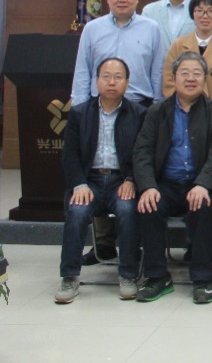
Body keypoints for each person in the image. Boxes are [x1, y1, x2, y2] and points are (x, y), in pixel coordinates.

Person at [133, 51, 212, 304]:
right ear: (174, 77)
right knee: (149, 205)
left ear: (205, 79)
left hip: (198, 183)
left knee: (203, 206)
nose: (190, 78)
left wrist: (203, 184)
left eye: (197, 73)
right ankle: (157, 277)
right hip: (165, 184)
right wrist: (148, 186)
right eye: (184, 73)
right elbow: (142, 152)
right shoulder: (157, 111)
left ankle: (202, 279)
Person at [55, 56, 146, 304]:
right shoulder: (79, 113)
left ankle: (128, 275)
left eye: (118, 77)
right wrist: (79, 184)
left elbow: (143, 153)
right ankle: (69, 277)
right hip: (90, 181)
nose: (111, 82)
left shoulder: (139, 113)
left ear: (127, 82)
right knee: (76, 212)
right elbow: (70, 155)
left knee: (127, 210)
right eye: (106, 77)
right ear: (96, 81)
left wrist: (132, 179)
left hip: (122, 181)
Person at [71, 0, 163, 106]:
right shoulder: (92, 29)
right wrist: (79, 107)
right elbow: (82, 70)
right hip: (99, 105)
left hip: (140, 105)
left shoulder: (152, 28)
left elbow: (157, 72)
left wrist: (157, 106)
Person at [161, 0, 212, 105]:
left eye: (211, 11)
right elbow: (169, 81)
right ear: (192, 14)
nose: (205, 16)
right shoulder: (178, 44)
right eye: (199, 11)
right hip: (182, 108)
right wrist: (181, 106)